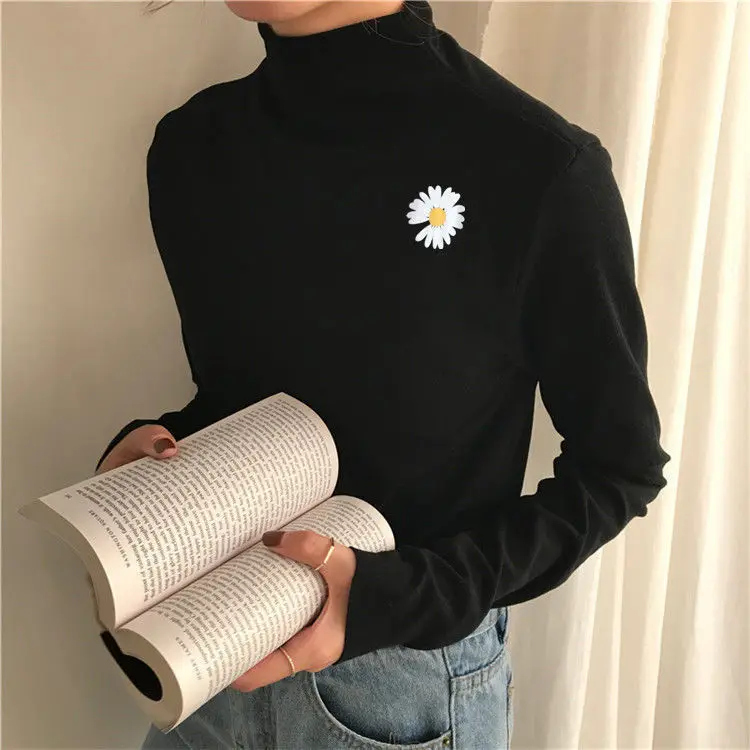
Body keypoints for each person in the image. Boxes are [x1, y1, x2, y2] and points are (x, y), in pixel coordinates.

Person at [95, 1, 671, 747]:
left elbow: (619, 468)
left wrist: (411, 597)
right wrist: (156, 448)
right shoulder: (194, 145)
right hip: (207, 655)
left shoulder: (535, 163)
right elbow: (251, 399)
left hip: (400, 685)